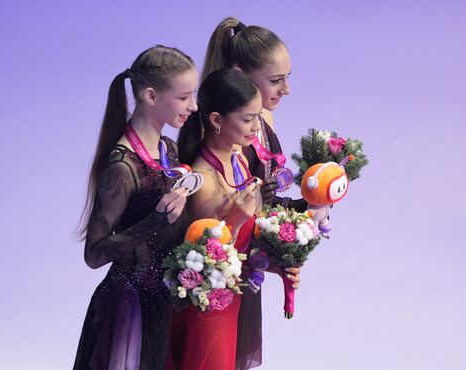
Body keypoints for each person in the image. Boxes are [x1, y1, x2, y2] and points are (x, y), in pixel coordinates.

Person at [74, 45, 198, 370]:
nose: (193, 106)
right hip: (130, 305)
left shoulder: (168, 149)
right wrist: (154, 220)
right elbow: (94, 254)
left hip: (164, 298)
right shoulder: (122, 166)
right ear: (152, 96)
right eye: (184, 97)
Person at [201, 17, 306, 369]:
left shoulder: (262, 122)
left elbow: (263, 205)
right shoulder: (225, 136)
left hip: (245, 264)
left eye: (288, 77)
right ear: (240, 76)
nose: (286, 89)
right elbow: (212, 226)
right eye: (276, 81)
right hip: (215, 271)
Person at [166, 68, 263, 370]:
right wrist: (231, 224)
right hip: (209, 309)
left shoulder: (240, 159)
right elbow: (203, 264)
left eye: (257, 116)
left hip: (234, 299)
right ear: (217, 120)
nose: (256, 126)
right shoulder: (204, 180)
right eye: (247, 119)